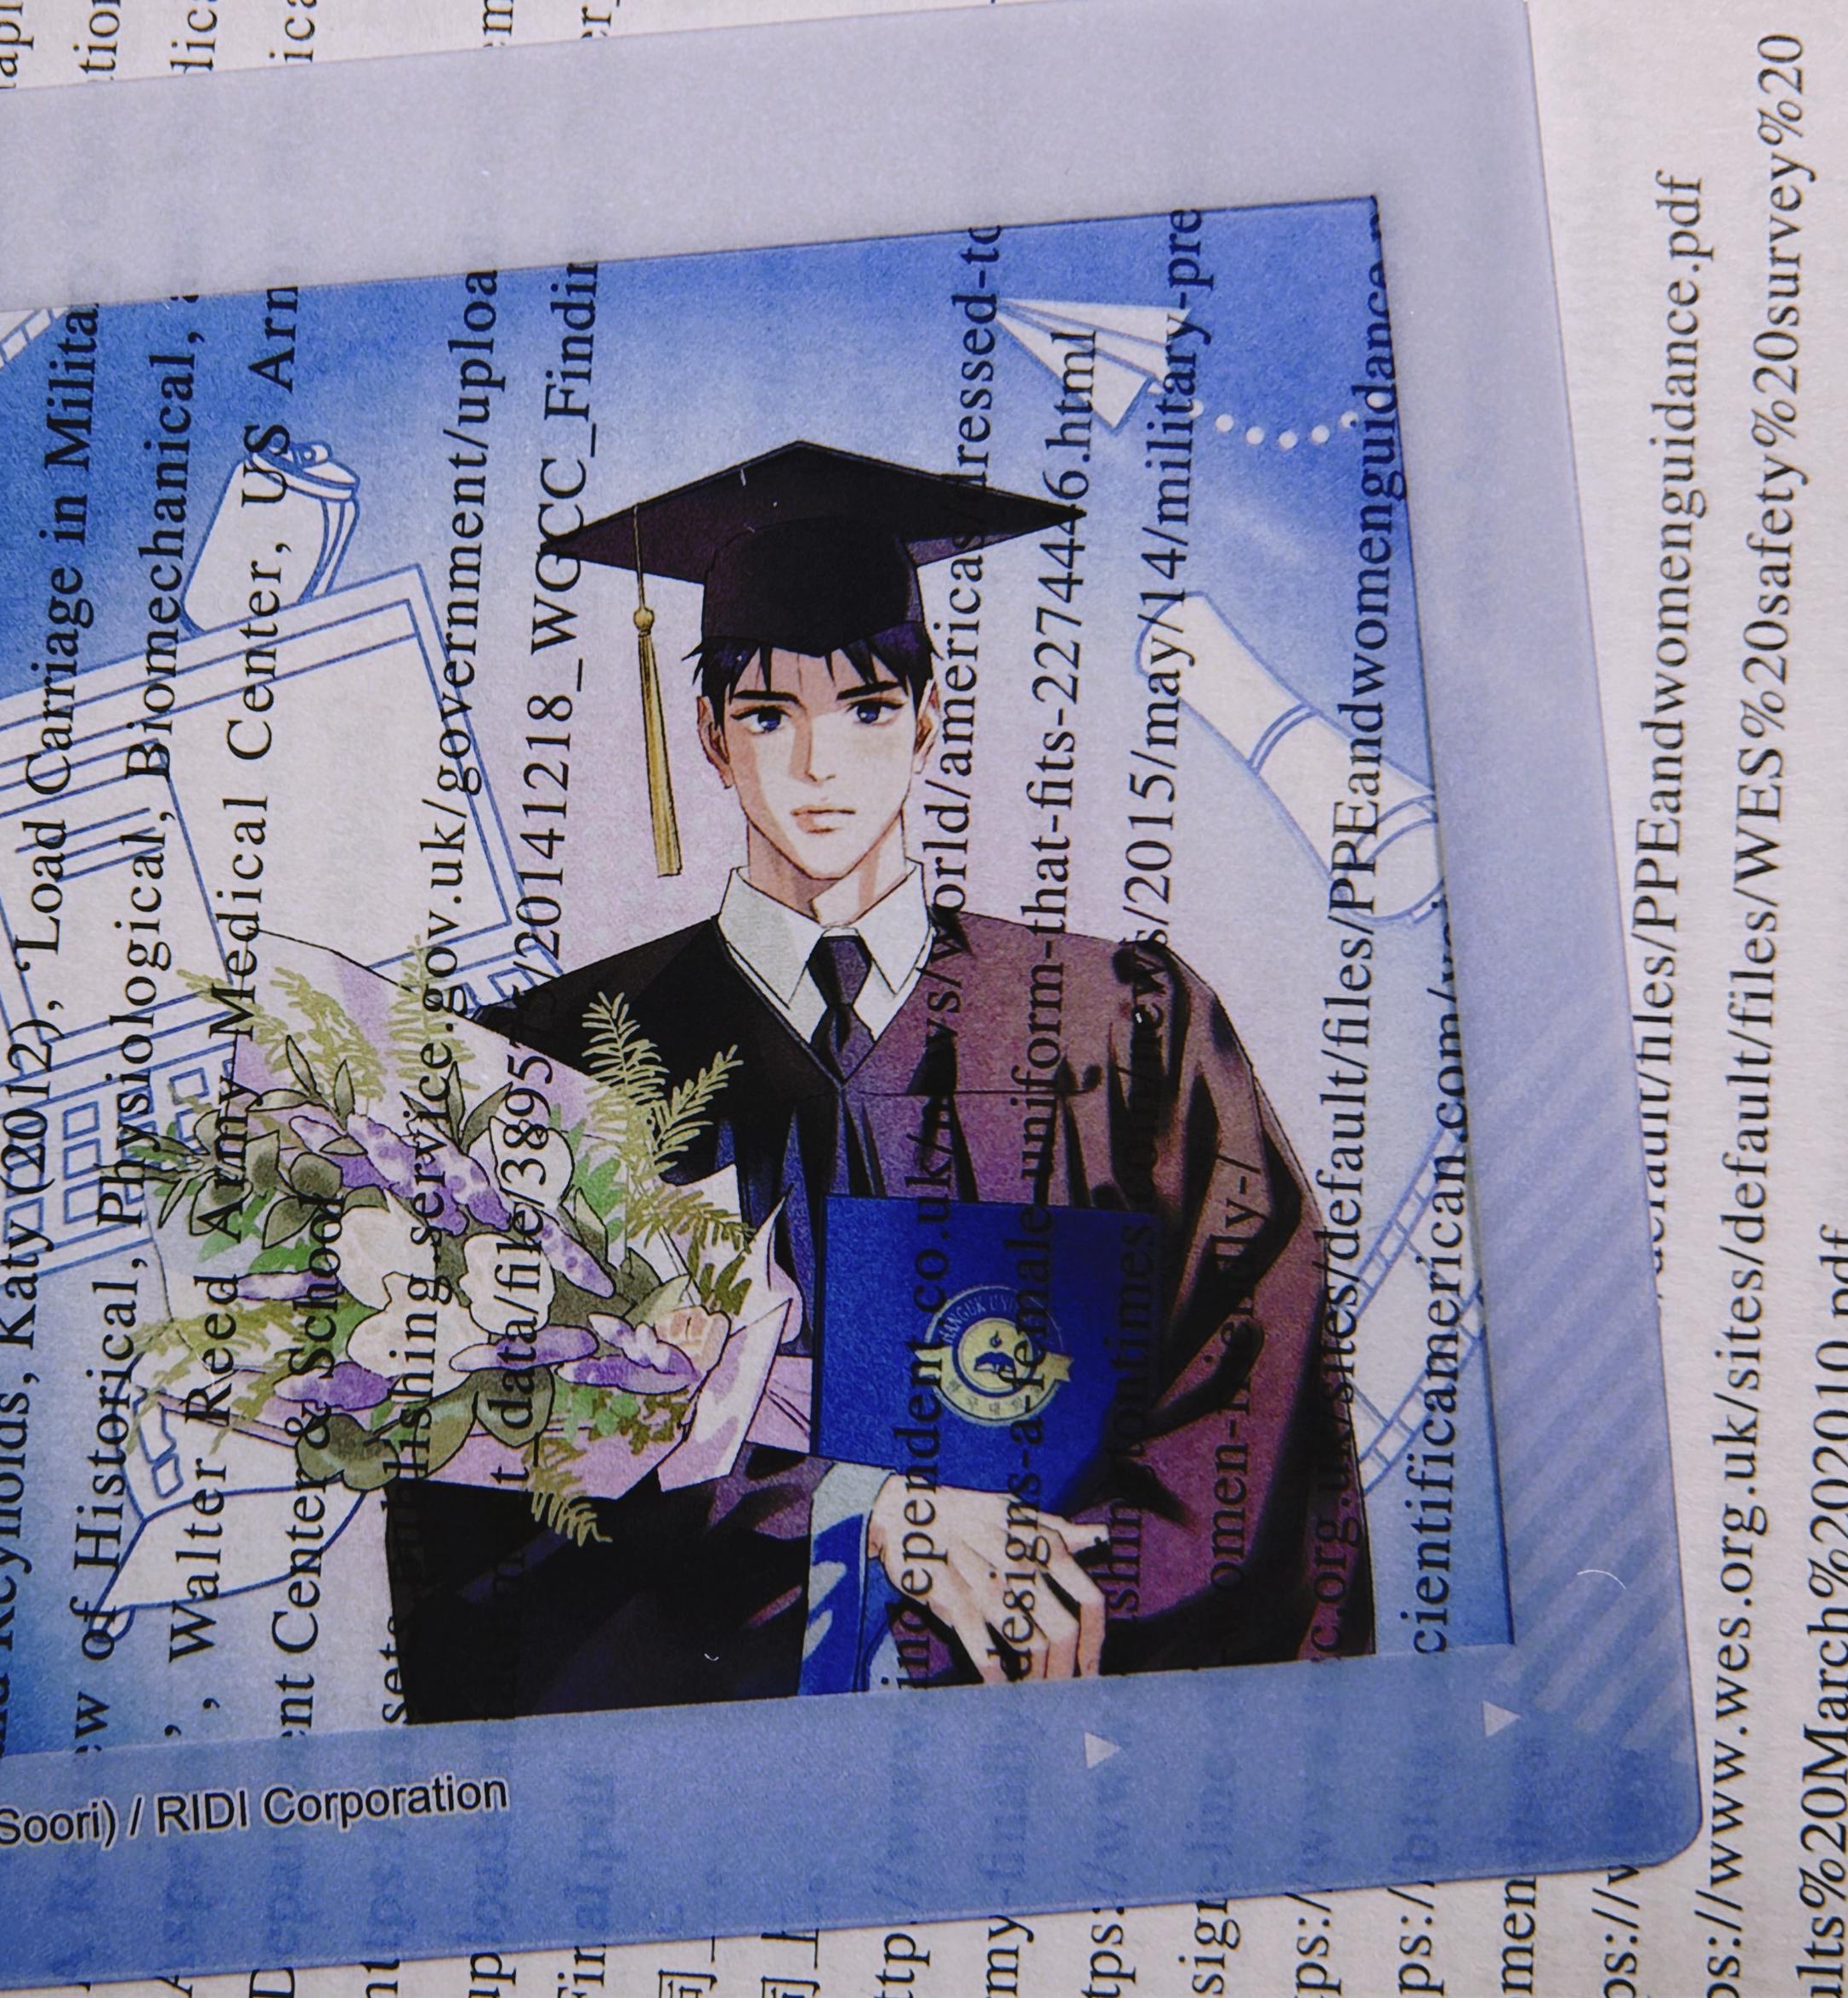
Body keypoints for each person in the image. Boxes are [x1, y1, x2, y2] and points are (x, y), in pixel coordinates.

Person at [382, 442, 1372, 1722]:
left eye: (864, 709)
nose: (818, 766)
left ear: (929, 719)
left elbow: (1251, 1400)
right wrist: (855, 1524)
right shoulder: (557, 1060)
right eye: (766, 715)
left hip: (1049, 1746)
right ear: (707, 737)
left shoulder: (1118, 1028)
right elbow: (489, 1495)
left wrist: (1060, 1590)